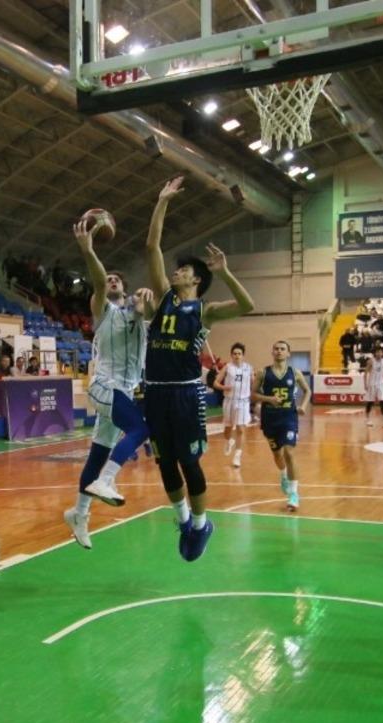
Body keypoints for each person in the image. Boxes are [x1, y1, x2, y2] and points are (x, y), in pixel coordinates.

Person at [142, 176, 254, 562]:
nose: (176, 272)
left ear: (196, 278)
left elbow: (247, 305)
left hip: (185, 394)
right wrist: (162, 201)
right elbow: (151, 245)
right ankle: (184, 518)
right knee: (164, 461)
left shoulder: (204, 309)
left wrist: (224, 272)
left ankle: (203, 522)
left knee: (189, 462)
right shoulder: (161, 302)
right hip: (155, 390)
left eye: (183, 270)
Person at [64, 216, 150, 549]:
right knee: (141, 429)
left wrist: (146, 304)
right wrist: (88, 251)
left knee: (97, 455)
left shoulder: (138, 312)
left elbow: (151, 310)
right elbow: (98, 282)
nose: (111, 280)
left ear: (125, 288)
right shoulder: (103, 310)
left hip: (125, 389)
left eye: (117, 279)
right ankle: (108, 481)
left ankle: (79, 514)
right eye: (109, 278)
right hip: (104, 385)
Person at [254, 340, 311, 511]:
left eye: (282, 349)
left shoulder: (295, 373)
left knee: (288, 452)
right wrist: (269, 399)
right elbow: (252, 395)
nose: (279, 351)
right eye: (276, 349)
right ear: (272, 352)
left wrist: (303, 406)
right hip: (270, 418)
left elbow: (307, 390)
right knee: (277, 455)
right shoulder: (263, 373)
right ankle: (284, 474)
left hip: (289, 417)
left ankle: (293, 494)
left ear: (288, 353)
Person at [213, 343, 255, 469]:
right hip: (229, 401)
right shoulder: (227, 367)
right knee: (228, 429)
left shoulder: (249, 368)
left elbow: (254, 383)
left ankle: (237, 455)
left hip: (243, 402)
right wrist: (224, 387)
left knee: (241, 429)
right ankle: (229, 441)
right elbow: (215, 383)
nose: (237, 356)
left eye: (239, 354)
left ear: (243, 355)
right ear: (231, 355)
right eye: (235, 353)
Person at [363, 348, 383, 428]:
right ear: (375, 353)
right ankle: (367, 418)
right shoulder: (370, 361)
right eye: (378, 352)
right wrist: (365, 384)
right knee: (370, 402)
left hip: (381, 384)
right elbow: (365, 374)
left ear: (382, 353)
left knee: (382, 401)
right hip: (372, 383)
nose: (379, 353)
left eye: (381, 352)